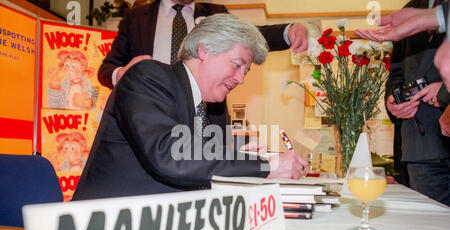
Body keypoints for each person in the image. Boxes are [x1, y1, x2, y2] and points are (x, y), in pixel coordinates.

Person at [72, 14, 308, 201]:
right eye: (237, 65)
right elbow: (172, 155)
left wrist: (241, 158)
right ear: (204, 49)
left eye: (245, 71)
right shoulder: (147, 77)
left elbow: (197, 164)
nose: (240, 79)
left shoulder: (201, 109)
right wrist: (264, 165)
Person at [98, 0, 309, 90]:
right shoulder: (136, 18)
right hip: (147, 116)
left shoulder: (214, 13)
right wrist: (122, 74)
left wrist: (288, 32)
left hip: (205, 122)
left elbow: (251, 36)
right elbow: (106, 69)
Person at [382, 0, 450, 206]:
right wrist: (392, 102)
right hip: (420, 148)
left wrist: (446, 91)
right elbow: (396, 73)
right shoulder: (411, 8)